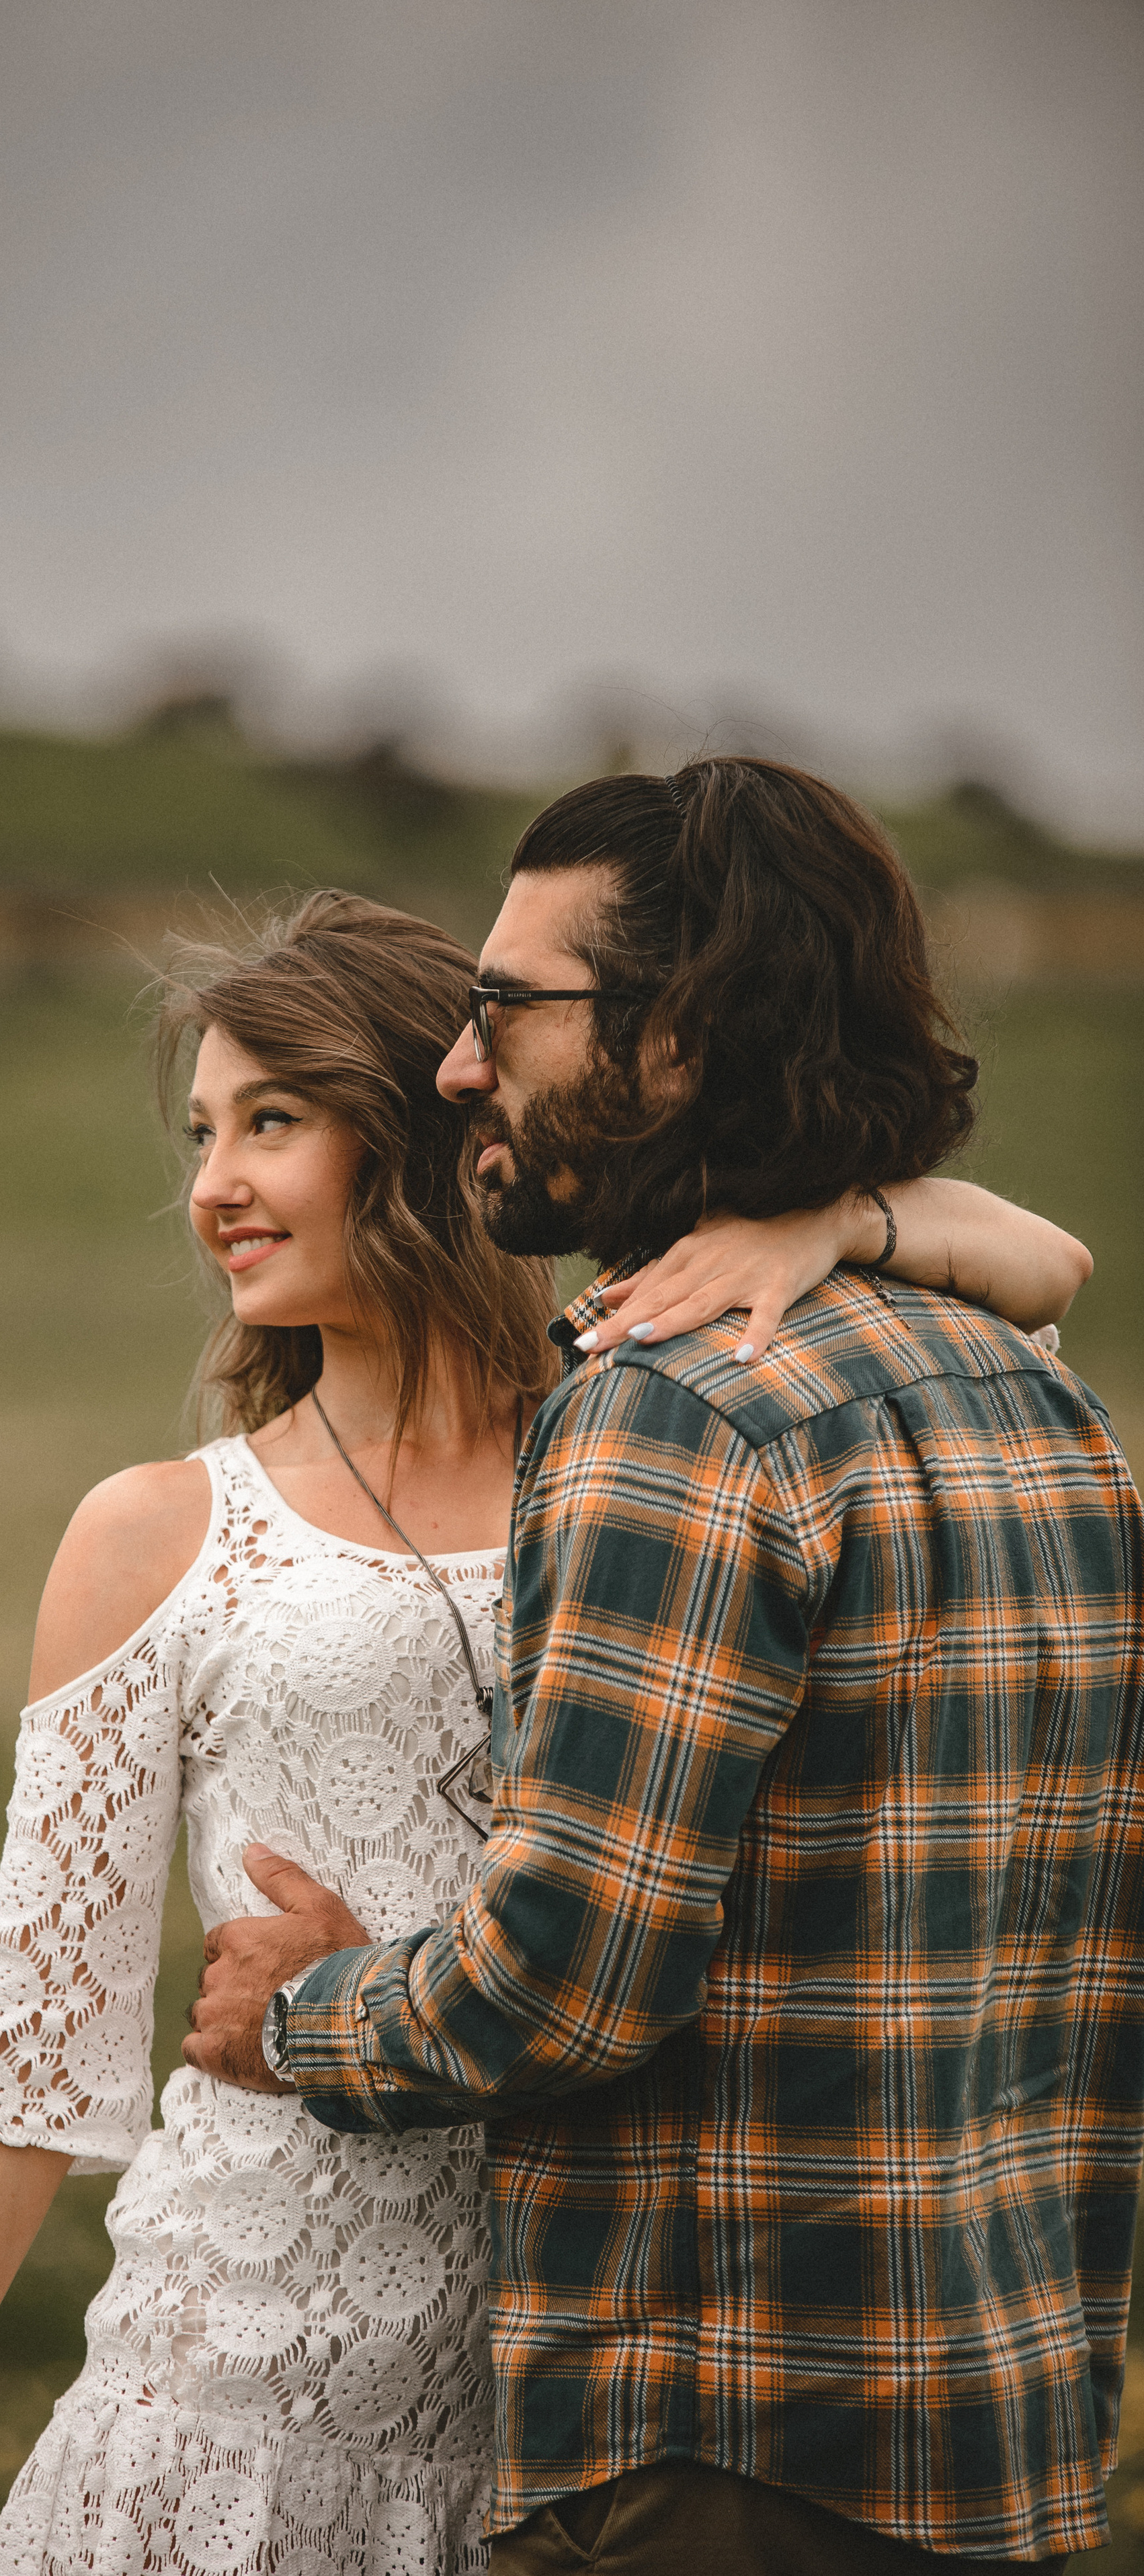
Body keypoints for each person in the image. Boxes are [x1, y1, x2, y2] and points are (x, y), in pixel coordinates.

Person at [0, 884, 1090, 2576]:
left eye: (271, 1122)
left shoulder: (650, 1435)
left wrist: (827, 1227)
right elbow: (31, 2034)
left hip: (579, 2417)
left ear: (433, 1124)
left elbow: (1045, 1266)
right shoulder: (157, 1533)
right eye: (201, 1133)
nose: (210, 1186)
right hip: (236, 2398)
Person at [188, 766, 1144, 2575]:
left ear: (680, 1038)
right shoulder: (1040, 1398)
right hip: (1002, 2428)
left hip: (719, 2450)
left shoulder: (673, 1413)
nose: (458, 1068)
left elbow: (569, 1977)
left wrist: (296, 2015)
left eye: (504, 1010)